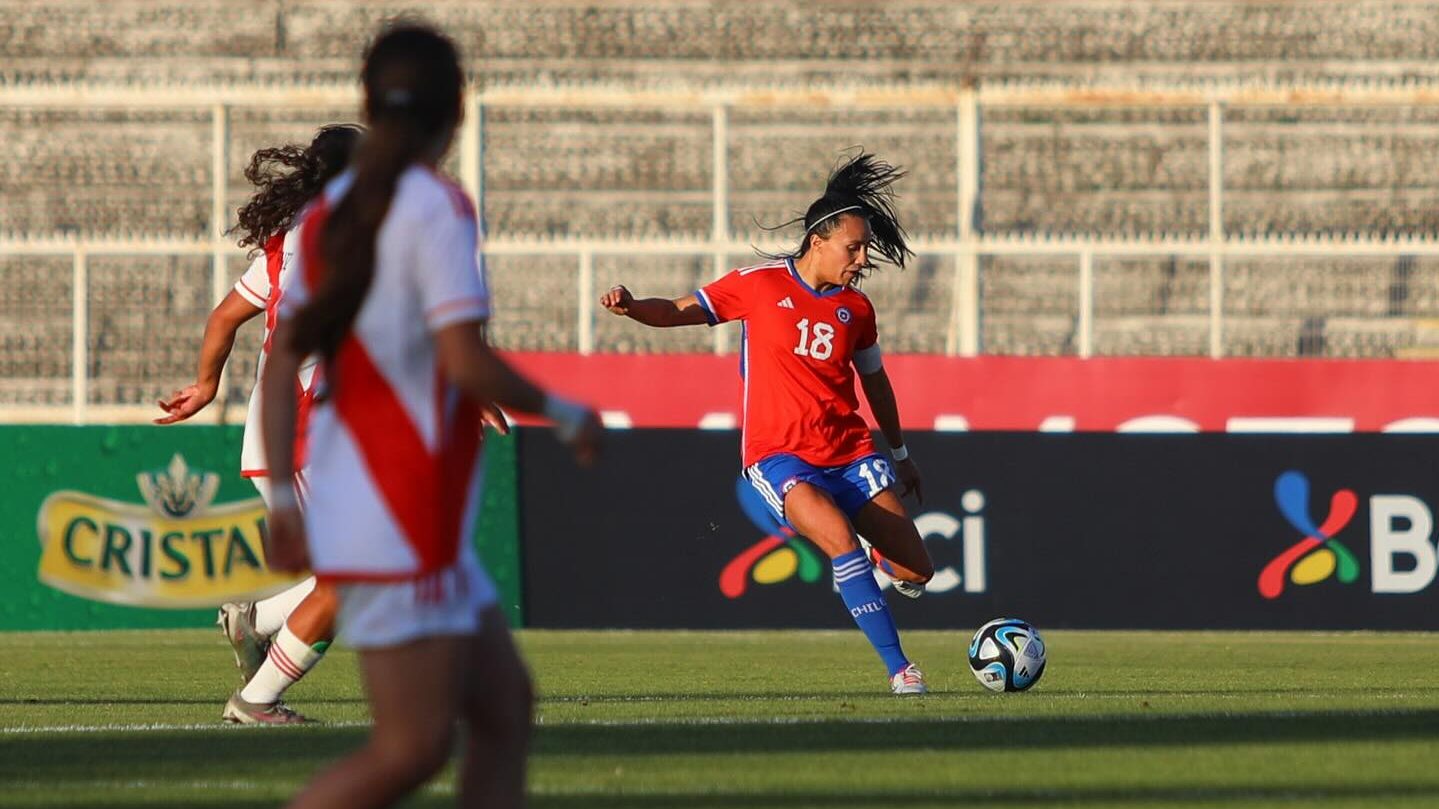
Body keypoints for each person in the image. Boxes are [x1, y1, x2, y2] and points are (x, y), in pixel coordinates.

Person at [261, 23, 600, 808]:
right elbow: (462, 358)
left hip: (380, 504)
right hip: (397, 508)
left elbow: (282, 365)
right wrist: (565, 411)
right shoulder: (435, 204)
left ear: (370, 104)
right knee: (413, 747)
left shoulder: (328, 215)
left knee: (502, 709)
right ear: (455, 109)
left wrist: (284, 496)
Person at [601, 152, 935, 695]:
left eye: (865, 246)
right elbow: (680, 310)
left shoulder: (857, 308)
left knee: (918, 572)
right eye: (854, 246)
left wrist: (899, 455)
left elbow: (876, 384)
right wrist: (634, 306)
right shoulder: (757, 286)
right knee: (837, 541)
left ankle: (878, 566)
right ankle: (902, 669)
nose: (862, 256)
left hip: (851, 454)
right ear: (819, 240)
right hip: (780, 455)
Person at [156, 123, 367, 724]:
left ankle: (253, 623)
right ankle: (256, 700)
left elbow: (225, 317)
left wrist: (206, 386)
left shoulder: (288, 240)